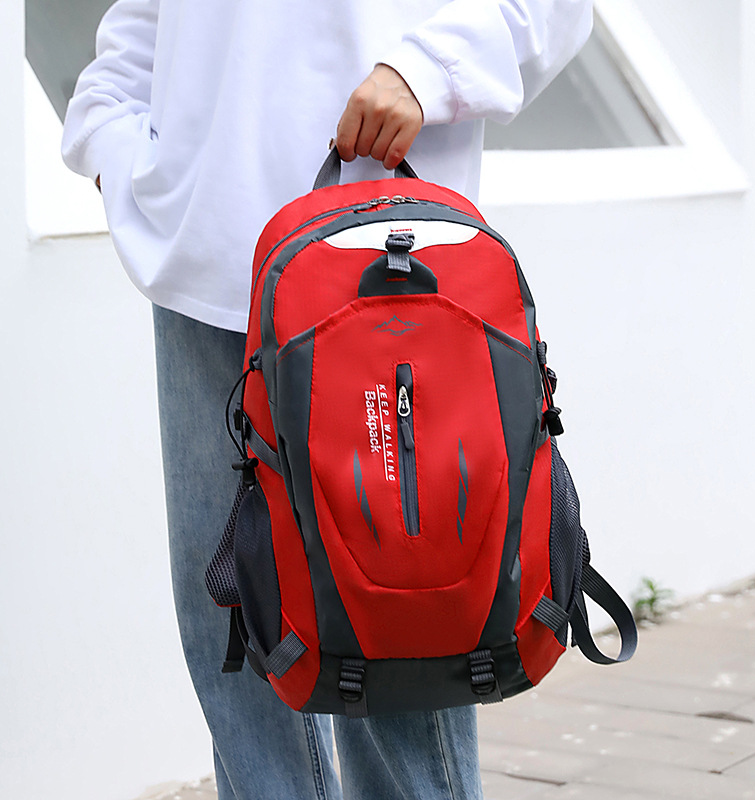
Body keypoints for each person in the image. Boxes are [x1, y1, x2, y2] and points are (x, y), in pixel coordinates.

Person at [62, 2, 592, 797]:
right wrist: (108, 130)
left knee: (406, 625)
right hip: (205, 268)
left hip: (382, 266)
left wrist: (427, 68)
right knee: (235, 635)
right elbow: (146, 22)